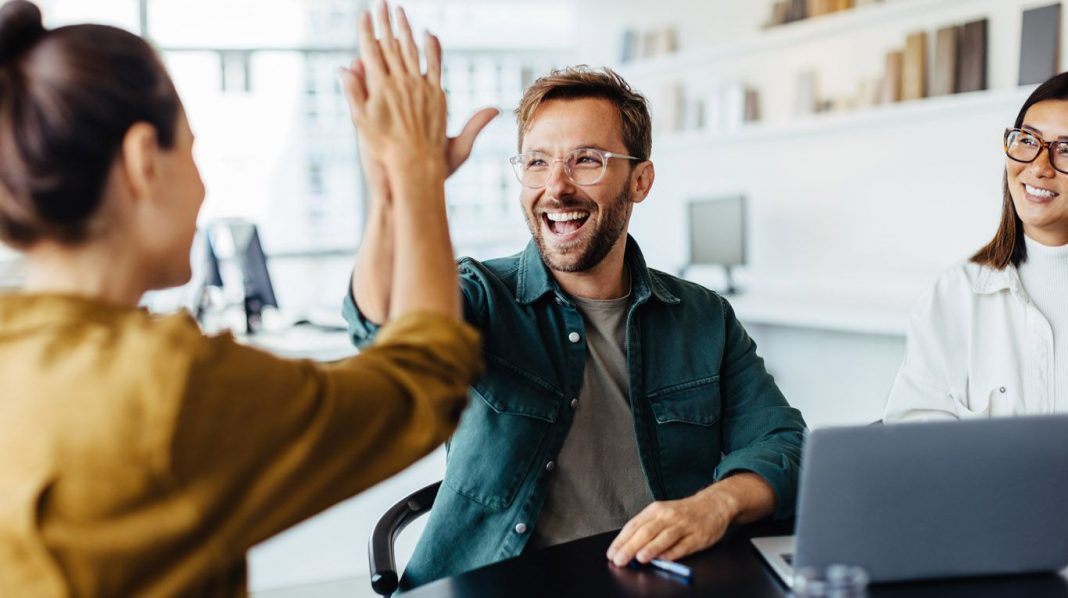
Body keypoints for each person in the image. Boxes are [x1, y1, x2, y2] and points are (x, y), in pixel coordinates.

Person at [0, 1, 482, 595]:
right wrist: (416, 169)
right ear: (143, 160)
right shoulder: (165, 386)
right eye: (193, 150)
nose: (203, 188)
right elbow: (424, 381)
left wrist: (391, 193)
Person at [346, 65, 807, 588]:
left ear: (640, 181)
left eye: (587, 160)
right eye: (538, 162)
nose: (556, 188)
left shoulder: (703, 317)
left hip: (648, 582)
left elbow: (785, 444)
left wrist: (716, 504)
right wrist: (395, 188)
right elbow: (381, 325)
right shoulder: (480, 296)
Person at [884, 71, 1068, 421]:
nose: (1040, 167)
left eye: (1067, 149)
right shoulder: (954, 295)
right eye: (1028, 141)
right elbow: (916, 440)